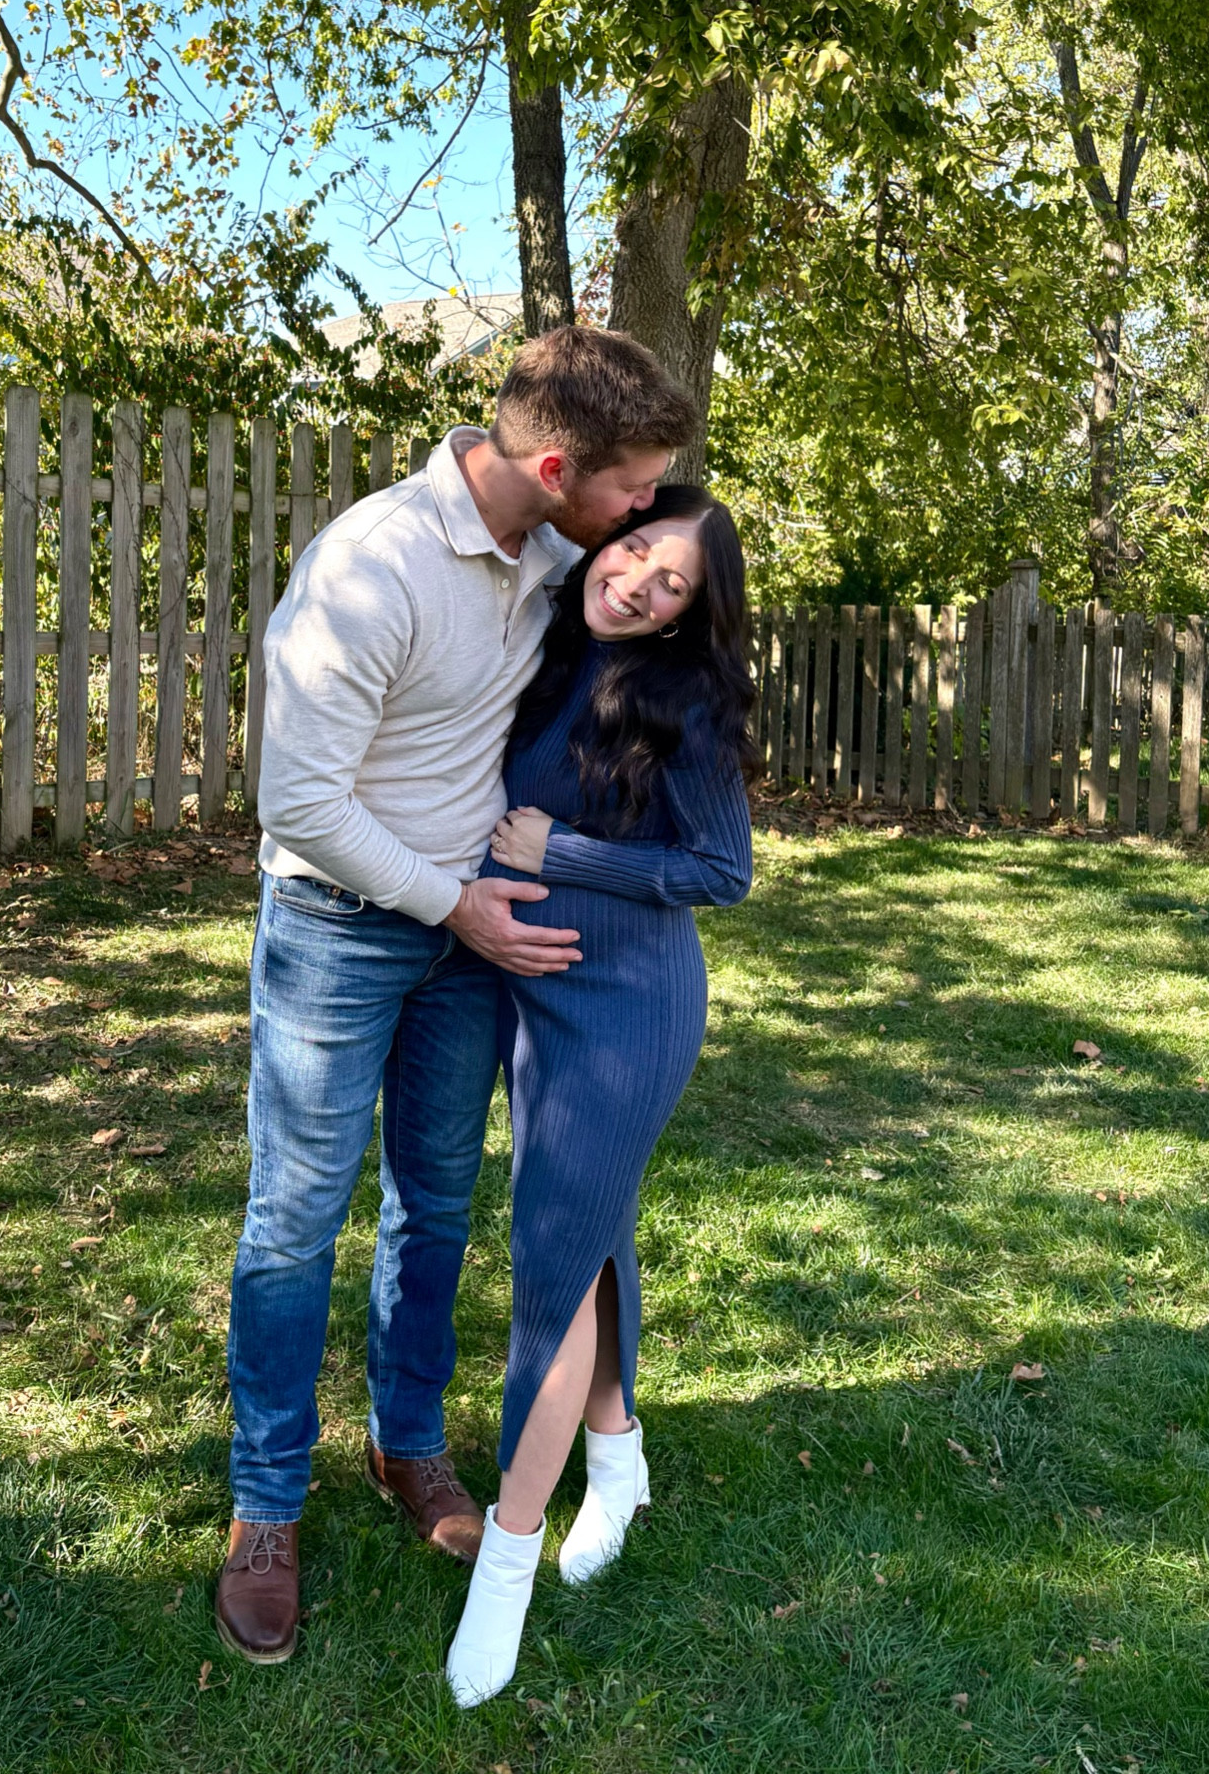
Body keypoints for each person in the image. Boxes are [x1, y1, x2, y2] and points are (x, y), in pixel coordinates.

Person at [216, 326, 698, 1666]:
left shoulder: (557, 563)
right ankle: (264, 1509)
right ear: (552, 466)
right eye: (628, 489)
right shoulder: (370, 571)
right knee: (296, 1218)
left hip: (465, 942)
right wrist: (454, 902)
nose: (642, 511)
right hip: (338, 926)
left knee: (437, 1203)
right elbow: (298, 803)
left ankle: (406, 1447)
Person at [443, 486, 756, 1707]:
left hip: (628, 1009)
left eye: (673, 582)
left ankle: (506, 1562)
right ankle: (614, 1456)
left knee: (550, 1265)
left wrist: (555, 854)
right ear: (603, 540)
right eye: (636, 550)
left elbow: (721, 869)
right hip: (539, 996)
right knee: (589, 1230)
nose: (640, 581)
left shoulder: (684, 697)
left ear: (694, 612)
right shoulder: (556, 647)